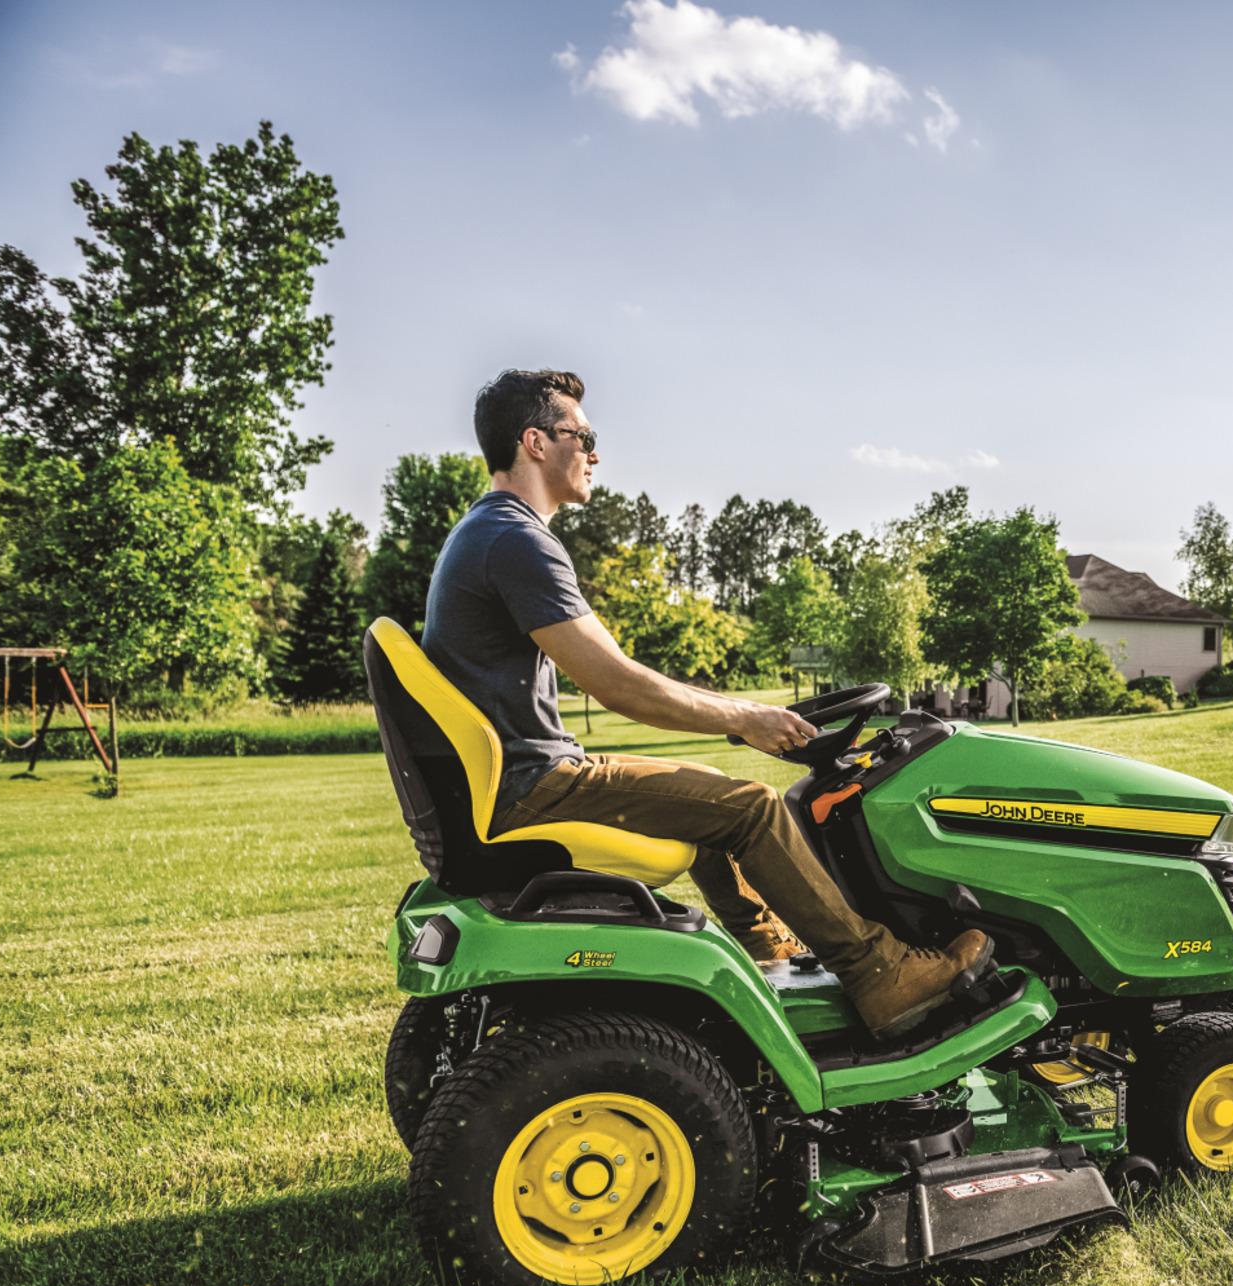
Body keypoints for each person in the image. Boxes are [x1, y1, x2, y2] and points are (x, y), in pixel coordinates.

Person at [420, 369, 990, 1040]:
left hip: (520, 778)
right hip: (533, 787)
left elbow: (621, 672)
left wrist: (742, 713)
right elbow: (617, 684)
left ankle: (771, 950)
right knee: (751, 808)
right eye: (584, 435)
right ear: (536, 442)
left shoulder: (488, 532)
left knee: (716, 794)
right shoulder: (516, 541)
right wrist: (745, 718)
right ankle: (879, 973)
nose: (596, 452)